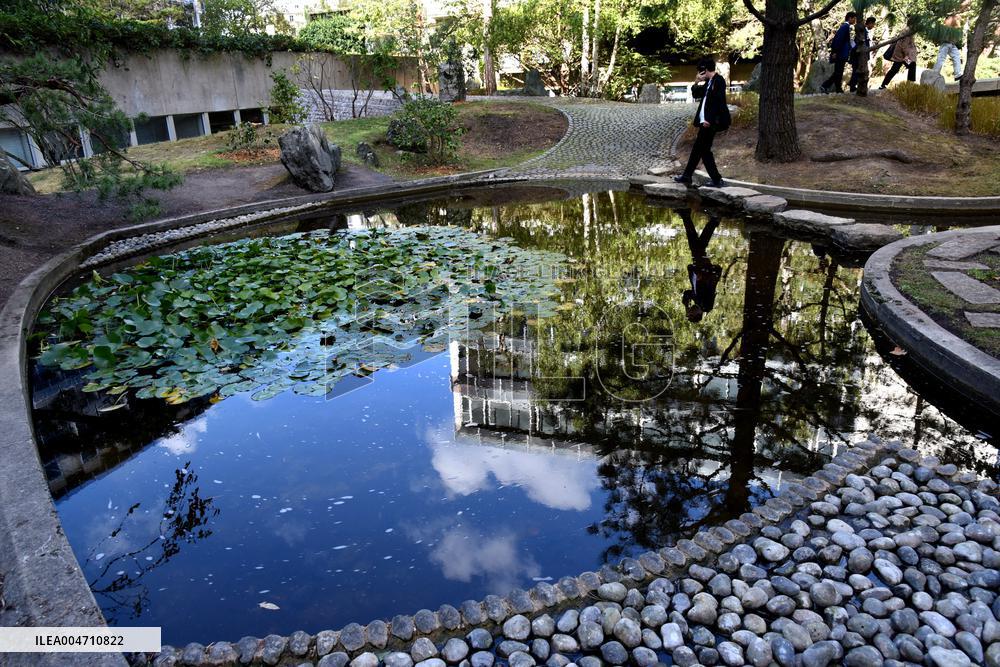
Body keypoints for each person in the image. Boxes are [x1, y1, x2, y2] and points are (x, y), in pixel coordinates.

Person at [674, 58, 731, 188]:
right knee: (698, 149)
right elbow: (696, 94)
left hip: (711, 123)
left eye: (701, 71)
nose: (699, 73)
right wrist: (696, 82)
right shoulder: (708, 82)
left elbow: (718, 102)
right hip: (705, 123)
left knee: (704, 150)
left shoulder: (718, 81)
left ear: (705, 70)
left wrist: (709, 120)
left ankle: (716, 179)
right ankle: (687, 176)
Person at [678, 209, 722, 323]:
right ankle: (686, 215)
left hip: (698, 269)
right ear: (697, 315)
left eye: (688, 314)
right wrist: (702, 276)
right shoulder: (706, 306)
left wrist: (686, 306)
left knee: (698, 245)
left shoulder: (696, 301)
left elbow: (687, 293)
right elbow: (708, 290)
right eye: (690, 314)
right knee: (695, 246)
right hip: (706, 271)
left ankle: (714, 220)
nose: (689, 312)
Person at [822, 12, 858, 93]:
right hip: (840, 53)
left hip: (842, 53)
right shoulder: (845, 27)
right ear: (850, 18)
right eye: (854, 18)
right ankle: (826, 86)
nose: (855, 20)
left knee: (838, 72)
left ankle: (836, 88)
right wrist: (835, 52)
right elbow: (838, 40)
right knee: (838, 72)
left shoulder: (846, 27)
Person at [848, 16, 877, 92]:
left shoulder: (865, 31)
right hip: (858, 55)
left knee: (858, 70)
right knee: (856, 70)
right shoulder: (862, 31)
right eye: (873, 24)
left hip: (862, 55)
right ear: (870, 23)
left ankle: (854, 85)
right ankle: (852, 86)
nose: (873, 26)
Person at [933, 14, 964, 81]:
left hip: (951, 44)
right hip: (946, 44)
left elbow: (956, 37)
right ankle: (935, 73)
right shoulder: (947, 25)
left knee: (956, 56)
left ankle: (957, 74)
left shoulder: (954, 27)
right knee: (941, 58)